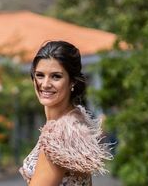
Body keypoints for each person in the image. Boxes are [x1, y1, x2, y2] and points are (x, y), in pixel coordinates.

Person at [20, 40, 112, 186]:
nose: (45, 84)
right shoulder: (74, 124)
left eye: (56, 76)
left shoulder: (58, 137)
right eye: (40, 75)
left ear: (72, 82)